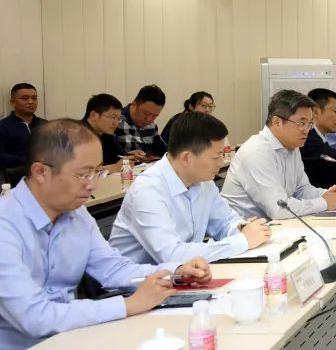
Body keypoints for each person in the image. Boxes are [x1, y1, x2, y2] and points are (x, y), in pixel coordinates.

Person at [0, 119, 212, 349]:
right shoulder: (6, 224)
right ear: (40, 172)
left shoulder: (76, 214)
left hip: (74, 337)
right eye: (84, 175)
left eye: (97, 172)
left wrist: (175, 272)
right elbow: (34, 317)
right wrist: (127, 305)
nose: (92, 185)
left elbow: (113, 269)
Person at [109, 112, 270, 264]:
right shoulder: (148, 190)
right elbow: (172, 255)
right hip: (140, 281)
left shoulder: (203, 181)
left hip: (184, 275)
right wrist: (242, 241)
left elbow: (224, 222)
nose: (221, 163)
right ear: (187, 158)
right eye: (216, 156)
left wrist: (241, 228)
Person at [221, 89, 336, 219]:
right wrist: (324, 203)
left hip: (274, 224)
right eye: (301, 123)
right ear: (277, 122)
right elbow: (279, 209)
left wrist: (329, 195)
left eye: (310, 124)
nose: (306, 130)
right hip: (245, 228)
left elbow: (301, 190)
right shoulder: (256, 152)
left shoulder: (292, 146)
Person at [0, 83, 47, 170]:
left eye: (34, 98)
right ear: (12, 102)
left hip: (46, 172)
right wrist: (28, 160)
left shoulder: (45, 125)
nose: (30, 102)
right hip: (17, 173)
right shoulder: (3, 126)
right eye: (25, 98)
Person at [115, 84, 167, 159]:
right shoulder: (115, 121)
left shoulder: (152, 124)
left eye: (155, 116)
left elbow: (163, 151)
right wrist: (128, 156)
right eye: (146, 113)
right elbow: (109, 155)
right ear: (134, 104)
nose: (149, 119)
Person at [80, 93, 128, 170]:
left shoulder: (106, 134)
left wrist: (129, 157)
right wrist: (114, 167)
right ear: (93, 115)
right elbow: (81, 171)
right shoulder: (76, 135)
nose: (116, 123)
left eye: (118, 119)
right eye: (113, 117)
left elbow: (120, 157)